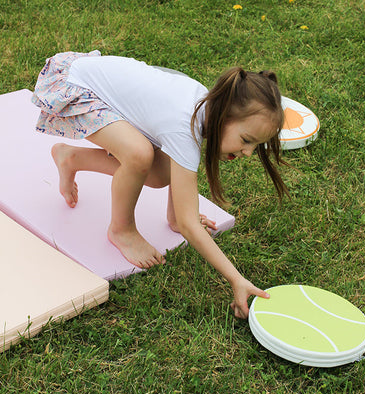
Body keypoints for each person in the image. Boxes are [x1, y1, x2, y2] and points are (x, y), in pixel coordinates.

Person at [32, 51, 289, 319]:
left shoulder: (204, 108)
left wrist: (178, 217)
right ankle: (121, 230)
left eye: (255, 146)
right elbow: (191, 226)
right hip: (75, 85)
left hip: (95, 82)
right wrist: (236, 279)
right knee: (138, 154)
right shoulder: (184, 125)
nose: (248, 152)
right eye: (247, 140)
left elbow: (179, 171)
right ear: (225, 115)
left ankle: (70, 157)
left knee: (159, 173)